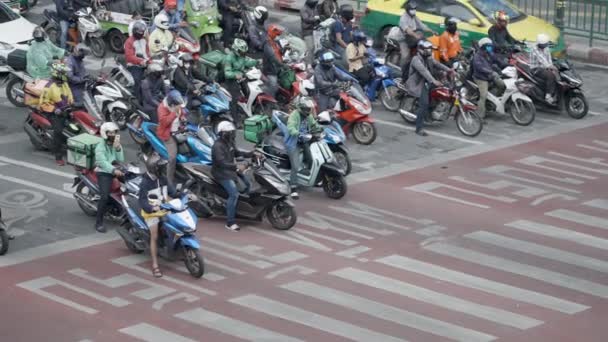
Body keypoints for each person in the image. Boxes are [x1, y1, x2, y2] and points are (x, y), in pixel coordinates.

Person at [211, 121, 258, 231]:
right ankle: (230, 222)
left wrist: (251, 153)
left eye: (232, 132)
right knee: (234, 194)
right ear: (223, 134)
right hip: (221, 173)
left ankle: (242, 209)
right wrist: (237, 166)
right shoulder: (217, 146)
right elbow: (221, 163)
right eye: (229, 133)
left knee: (247, 184)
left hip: (231, 169)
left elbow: (237, 153)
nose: (232, 134)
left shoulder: (229, 142)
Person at [138, 153, 179, 278]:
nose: (163, 170)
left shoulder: (163, 179)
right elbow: (142, 201)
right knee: (154, 236)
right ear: (155, 169)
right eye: (161, 168)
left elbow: (173, 191)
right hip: (152, 213)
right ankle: (155, 264)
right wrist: (151, 208)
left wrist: (185, 194)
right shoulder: (145, 183)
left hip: (164, 208)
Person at [405, 40, 451, 136]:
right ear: (421, 50)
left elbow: (437, 64)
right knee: (424, 104)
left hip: (427, 81)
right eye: (427, 50)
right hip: (418, 84)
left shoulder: (428, 58)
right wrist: (433, 81)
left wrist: (449, 70)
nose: (430, 51)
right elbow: (424, 71)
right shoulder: (416, 60)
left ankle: (432, 111)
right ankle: (419, 128)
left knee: (442, 91)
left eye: (430, 50)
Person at [284, 96, 322, 199]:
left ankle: (315, 180)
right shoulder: (294, 115)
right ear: (301, 108)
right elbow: (291, 128)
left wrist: (322, 128)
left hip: (305, 140)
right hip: (294, 142)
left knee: (312, 160)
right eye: (306, 109)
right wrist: (299, 134)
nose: (308, 111)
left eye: (309, 109)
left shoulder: (308, 115)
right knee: (295, 166)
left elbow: (314, 125)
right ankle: (293, 188)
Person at [38, 63, 74, 165]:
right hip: (53, 112)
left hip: (66, 110)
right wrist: (54, 109)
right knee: (58, 131)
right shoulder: (49, 87)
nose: (66, 75)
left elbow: (69, 95)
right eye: (64, 73)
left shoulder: (64, 83)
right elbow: (43, 103)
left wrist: (71, 104)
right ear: (58, 73)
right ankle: (58, 156)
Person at [94, 122, 124, 233]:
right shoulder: (100, 146)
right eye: (111, 133)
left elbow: (120, 159)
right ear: (105, 133)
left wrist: (118, 148)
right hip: (104, 172)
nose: (114, 134)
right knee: (105, 197)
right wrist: (113, 170)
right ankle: (98, 223)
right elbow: (102, 162)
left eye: (115, 132)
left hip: (116, 169)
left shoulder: (115, 143)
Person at [223, 38, 258, 125]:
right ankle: (236, 120)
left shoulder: (242, 57)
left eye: (244, 53)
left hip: (241, 77)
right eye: (242, 52)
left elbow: (247, 61)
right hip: (231, 80)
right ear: (236, 50)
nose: (243, 54)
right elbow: (227, 73)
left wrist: (257, 62)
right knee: (235, 99)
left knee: (248, 92)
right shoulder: (228, 58)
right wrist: (235, 75)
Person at [156, 90, 187, 187]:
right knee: (172, 157)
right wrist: (173, 113)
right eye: (177, 106)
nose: (179, 107)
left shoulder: (177, 104)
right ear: (172, 104)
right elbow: (164, 122)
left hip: (179, 131)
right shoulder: (162, 108)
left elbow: (182, 112)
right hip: (168, 134)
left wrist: (182, 117)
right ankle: (169, 181)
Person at [472, 37, 507, 122]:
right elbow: (480, 68)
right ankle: (480, 116)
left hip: (490, 76)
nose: (490, 47)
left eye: (490, 46)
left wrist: (509, 64)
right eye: (488, 46)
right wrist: (490, 72)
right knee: (483, 95)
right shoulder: (477, 57)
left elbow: (498, 60)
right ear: (483, 47)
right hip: (481, 78)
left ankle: (495, 102)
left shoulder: (489, 54)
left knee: (503, 85)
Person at [397, 1, 436, 70]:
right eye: (412, 9)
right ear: (408, 10)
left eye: (415, 9)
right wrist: (415, 35)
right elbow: (408, 30)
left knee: (425, 47)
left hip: (412, 37)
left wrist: (431, 31)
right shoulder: (403, 18)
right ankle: (403, 71)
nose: (414, 11)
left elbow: (422, 25)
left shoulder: (414, 17)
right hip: (403, 38)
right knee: (406, 56)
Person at [125, 21, 150, 99]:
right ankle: (138, 98)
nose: (141, 33)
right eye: (140, 32)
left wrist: (150, 59)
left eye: (142, 32)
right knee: (138, 80)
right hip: (134, 65)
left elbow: (147, 52)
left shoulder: (144, 40)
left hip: (145, 63)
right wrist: (140, 61)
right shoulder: (129, 42)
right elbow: (129, 56)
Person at [530, 33, 557, 104]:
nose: (545, 45)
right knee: (550, 75)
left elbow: (549, 59)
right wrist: (550, 67)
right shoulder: (534, 49)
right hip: (536, 69)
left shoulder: (546, 48)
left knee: (556, 75)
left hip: (544, 67)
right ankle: (548, 96)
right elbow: (541, 59)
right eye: (544, 44)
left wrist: (551, 66)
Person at [300, 0, 320, 65]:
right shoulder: (303, 9)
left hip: (315, 30)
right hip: (307, 31)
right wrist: (315, 18)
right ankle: (308, 64)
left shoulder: (314, 7)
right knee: (310, 47)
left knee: (315, 47)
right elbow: (306, 19)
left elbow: (317, 15)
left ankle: (312, 61)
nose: (315, 5)